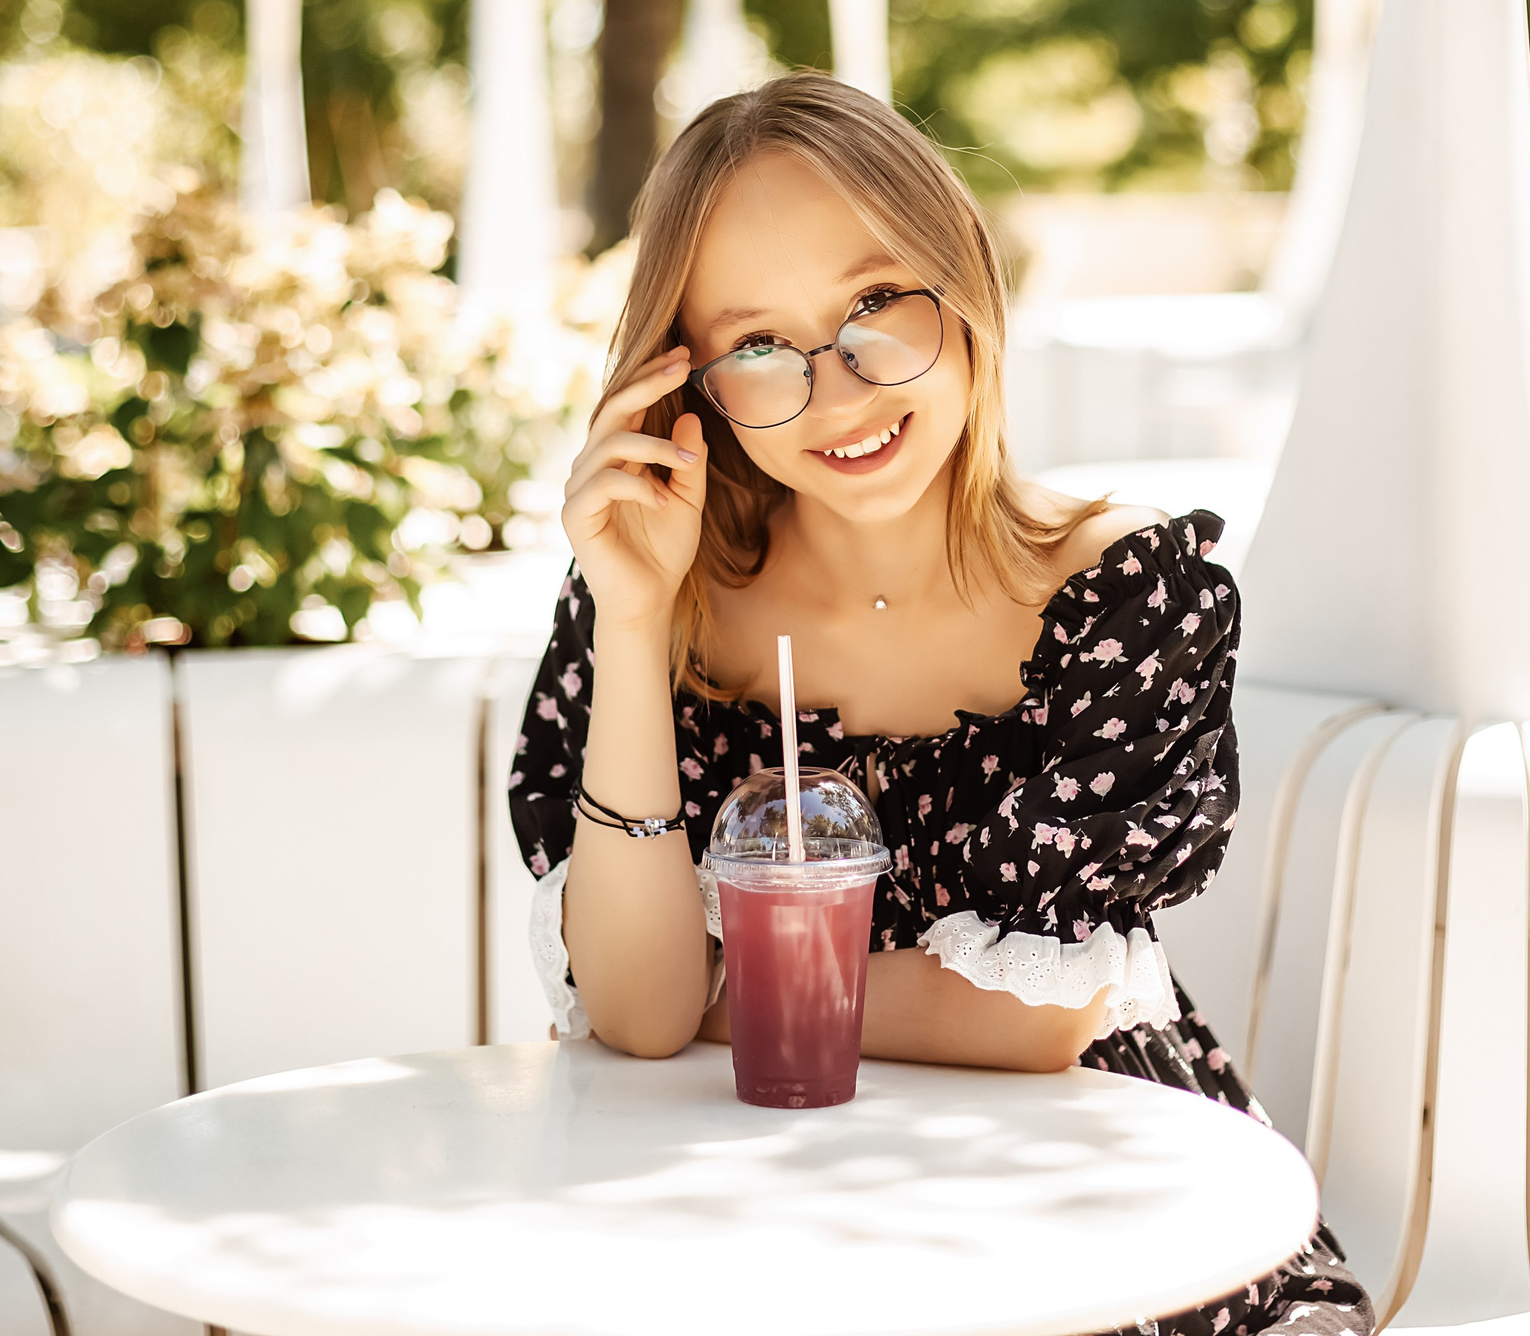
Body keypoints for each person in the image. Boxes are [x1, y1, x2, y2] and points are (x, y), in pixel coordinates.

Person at [508, 72, 1369, 1336]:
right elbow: (632, 1019)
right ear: (686, 386)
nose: (841, 391)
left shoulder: (1126, 594)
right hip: (750, 1221)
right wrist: (634, 623)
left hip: (1101, 1226)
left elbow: (1033, 1016)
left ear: (962, 279)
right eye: (757, 346)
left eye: (873, 305)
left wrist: (702, 988)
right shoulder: (652, 601)